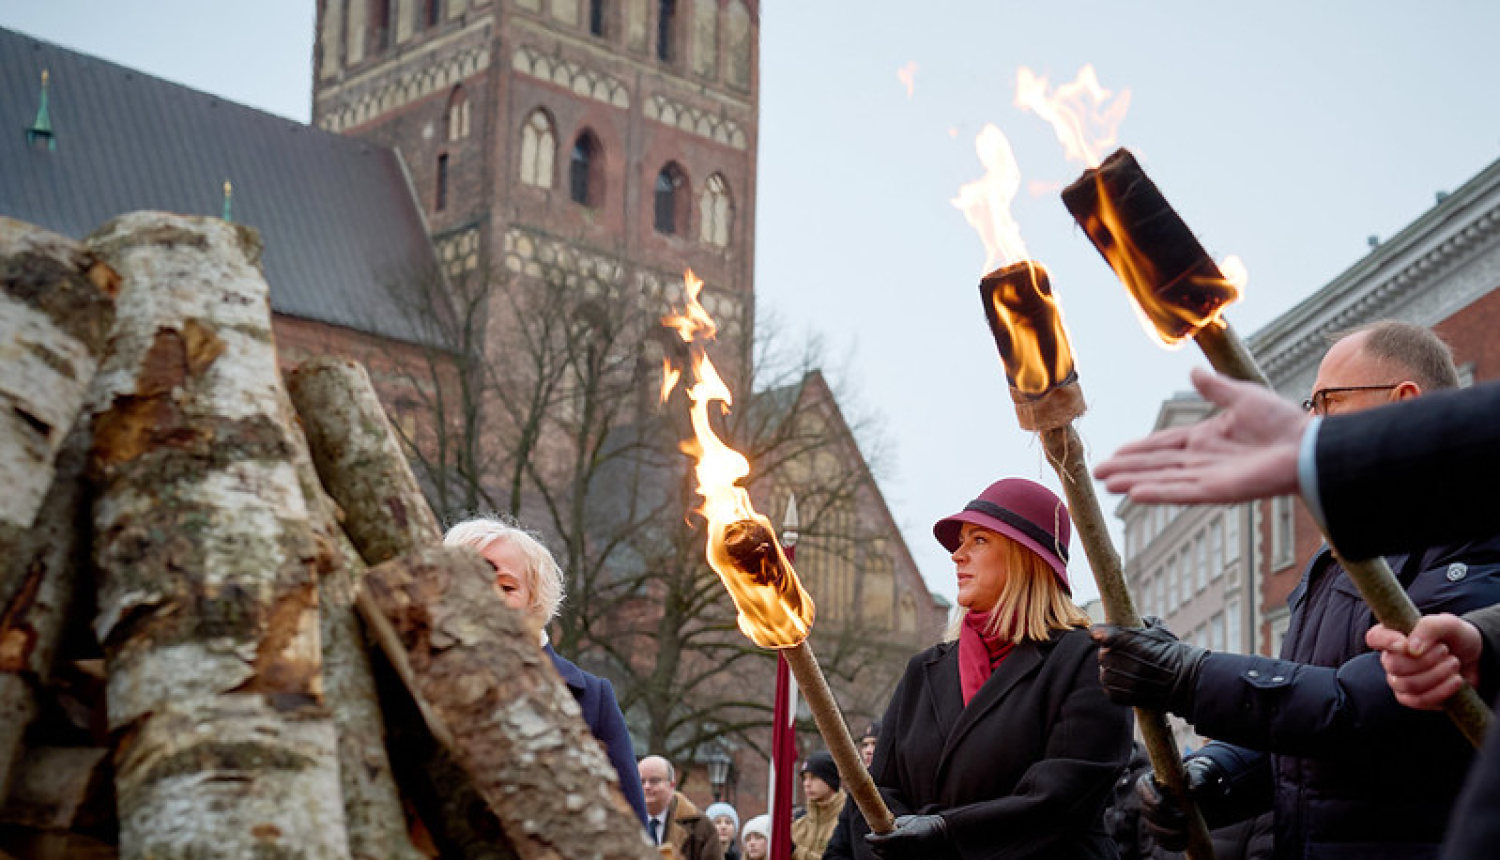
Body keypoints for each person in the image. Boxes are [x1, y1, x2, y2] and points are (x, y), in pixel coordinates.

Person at [1092, 322, 1500, 858]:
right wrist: (1213, 778)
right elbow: (1300, 740)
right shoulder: (1334, 559)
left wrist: (1190, 676)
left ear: (1403, 403)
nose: (1311, 420)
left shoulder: (1466, 539)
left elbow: (1365, 710)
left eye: (1325, 401)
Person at [861, 477, 1132, 859]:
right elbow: (879, 792)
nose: (957, 554)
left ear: (1026, 557)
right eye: (961, 542)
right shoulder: (924, 670)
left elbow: (1060, 798)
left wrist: (945, 831)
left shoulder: (1087, 660)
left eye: (979, 540)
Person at [443, 517, 649, 827]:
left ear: (533, 601)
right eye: (471, 582)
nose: (488, 597)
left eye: (507, 587)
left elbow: (634, 829)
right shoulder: (407, 683)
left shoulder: (593, 699)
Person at [639, 755, 725, 860]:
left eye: (654, 781)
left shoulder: (700, 826)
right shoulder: (623, 823)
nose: (647, 787)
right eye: (641, 781)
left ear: (672, 785)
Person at [824, 723, 881, 860]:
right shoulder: (855, 795)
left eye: (875, 744)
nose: (868, 750)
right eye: (865, 745)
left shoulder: (905, 788)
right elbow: (835, 850)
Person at [791, 751, 847, 860]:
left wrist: (795, 852)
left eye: (813, 777)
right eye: (804, 778)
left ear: (830, 779)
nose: (807, 783)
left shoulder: (846, 822)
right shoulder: (798, 825)